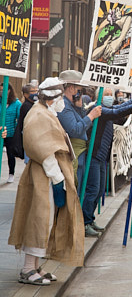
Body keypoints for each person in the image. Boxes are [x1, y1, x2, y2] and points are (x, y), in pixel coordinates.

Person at [8, 77, 85, 286]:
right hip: (43, 176)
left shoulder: (46, 111)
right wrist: (58, 178)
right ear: (54, 97)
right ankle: (27, 269)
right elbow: (43, 149)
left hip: (47, 176)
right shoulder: (39, 114)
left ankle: (34, 267)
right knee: (39, 220)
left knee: (46, 220)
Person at [82, 88, 132, 237]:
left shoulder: (107, 108)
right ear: (99, 97)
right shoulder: (97, 109)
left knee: (99, 191)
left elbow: (117, 108)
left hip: (102, 157)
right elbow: (115, 113)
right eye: (107, 95)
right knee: (92, 190)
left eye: (111, 95)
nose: (110, 97)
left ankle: (90, 219)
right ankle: (84, 223)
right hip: (93, 155)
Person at [57, 70, 102, 194]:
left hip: (79, 151)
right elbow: (75, 130)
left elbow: (81, 123)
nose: (81, 93)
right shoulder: (64, 106)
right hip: (73, 151)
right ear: (71, 88)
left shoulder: (71, 104)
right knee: (74, 188)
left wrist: (79, 107)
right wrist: (91, 116)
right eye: (80, 90)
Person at [0, 82, 22, 183]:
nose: (1, 92)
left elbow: (19, 119)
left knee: (10, 154)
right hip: (1, 131)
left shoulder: (16, 104)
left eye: (2, 90)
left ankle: (11, 173)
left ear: (8, 90)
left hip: (10, 133)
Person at [12, 83, 39, 163]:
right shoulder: (26, 106)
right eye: (32, 91)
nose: (35, 93)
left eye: (36, 91)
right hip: (29, 138)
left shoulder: (34, 104)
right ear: (26, 94)